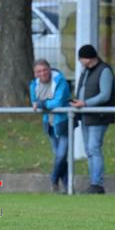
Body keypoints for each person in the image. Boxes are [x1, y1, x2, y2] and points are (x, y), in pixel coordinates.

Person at [70, 44, 115, 194]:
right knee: (89, 150)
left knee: (94, 148)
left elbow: (105, 95)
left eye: (81, 58)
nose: (80, 62)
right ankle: (94, 183)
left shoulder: (104, 71)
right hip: (86, 116)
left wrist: (86, 103)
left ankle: (97, 184)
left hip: (98, 116)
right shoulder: (87, 71)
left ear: (87, 58)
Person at [29, 59, 71, 193]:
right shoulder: (34, 84)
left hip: (63, 122)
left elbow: (57, 102)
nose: (42, 73)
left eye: (44, 70)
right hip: (49, 124)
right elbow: (34, 101)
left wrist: (42, 104)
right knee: (60, 157)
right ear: (35, 73)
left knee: (61, 156)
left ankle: (53, 179)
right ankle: (67, 187)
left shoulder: (60, 80)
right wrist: (40, 104)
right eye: (38, 71)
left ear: (49, 69)